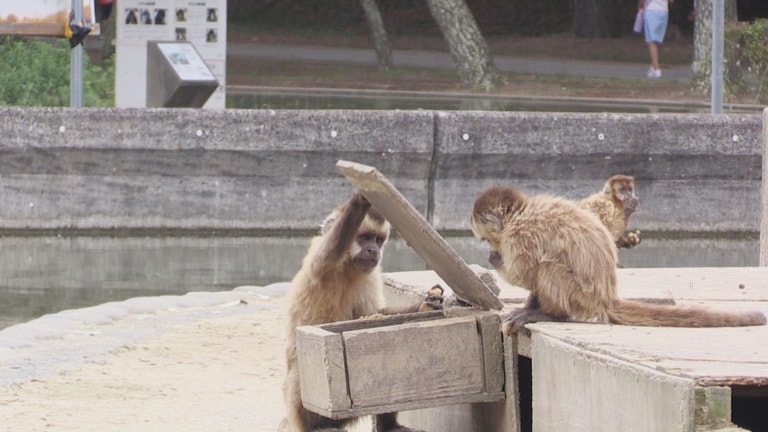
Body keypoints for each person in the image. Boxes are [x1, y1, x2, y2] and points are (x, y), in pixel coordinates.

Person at [640, 0, 673, 79]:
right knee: (657, 40)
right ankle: (653, 66)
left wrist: (640, 5)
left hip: (651, 9)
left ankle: (657, 69)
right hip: (664, 11)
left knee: (651, 40)